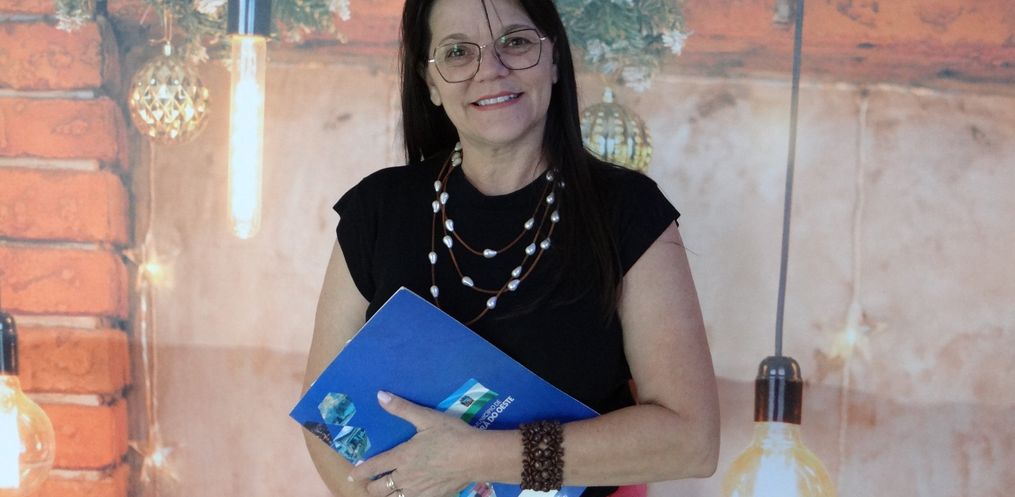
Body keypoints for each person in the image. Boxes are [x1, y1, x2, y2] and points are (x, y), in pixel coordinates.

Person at [301, 0, 720, 495]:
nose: (491, 70)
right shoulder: (376, 210)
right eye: (458, 52)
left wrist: (474, 457)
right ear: (430, 82)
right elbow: (325, 420)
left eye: (516, 42)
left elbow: (691, 440)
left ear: (554, 58)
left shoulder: (629, 211)